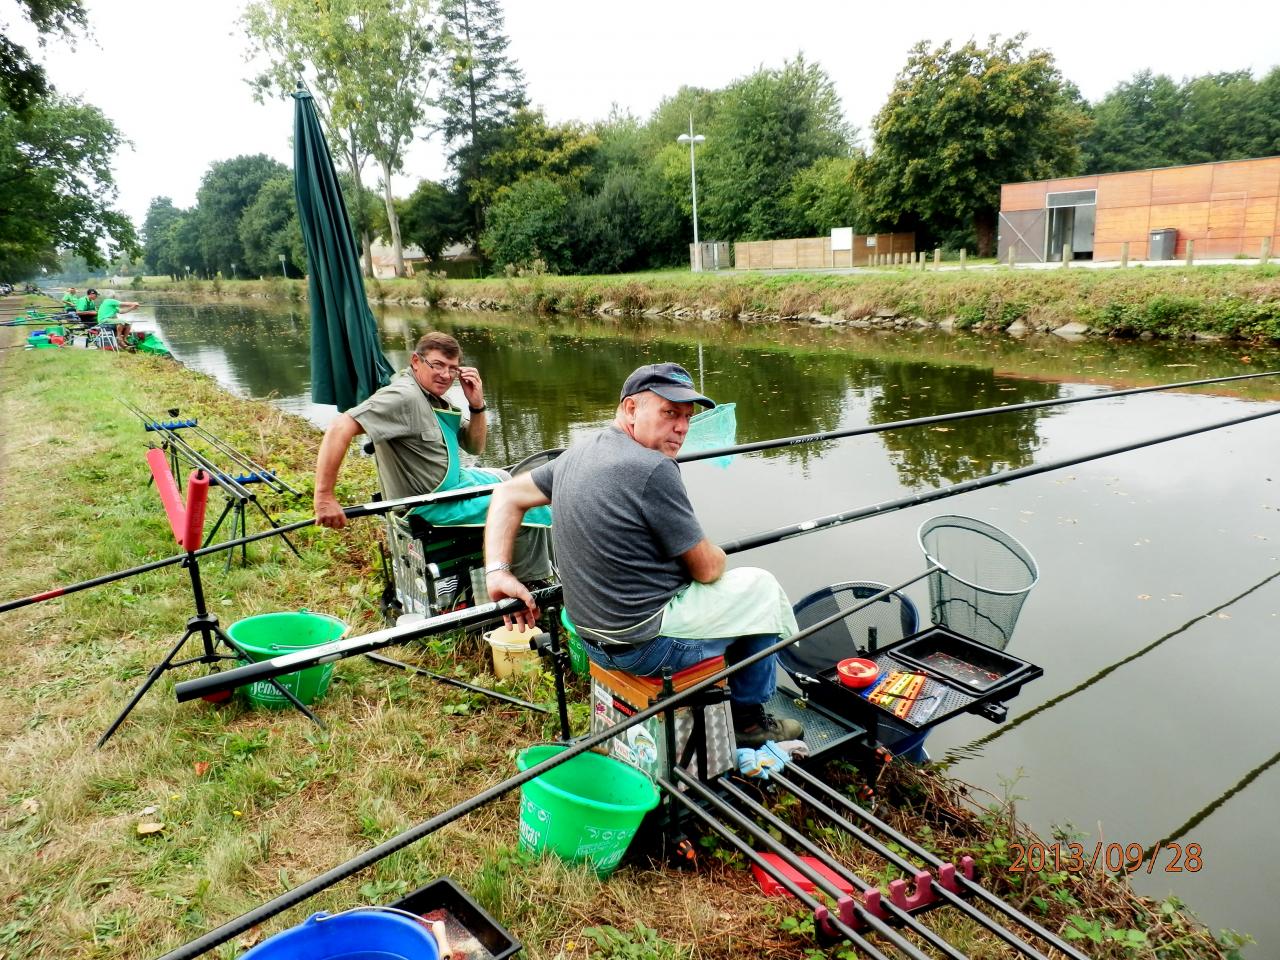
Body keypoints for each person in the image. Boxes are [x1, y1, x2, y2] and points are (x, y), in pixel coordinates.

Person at [483, 362, 803, 748]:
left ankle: (730, 697)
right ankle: (749, 721)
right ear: (631, 409)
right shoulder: (653, 468)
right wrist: (716, 553)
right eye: (670, 412)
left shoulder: (578, 453)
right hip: (647, 648)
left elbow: (506, 494)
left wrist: (497, 571)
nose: (682, 427)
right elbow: (706, 568)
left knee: (735, 597)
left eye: (687, 417)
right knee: (761, 588)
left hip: (589, 639)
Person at [314, 331, 552, 582]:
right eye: (437, 365)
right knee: (526, 505)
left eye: (453, 368)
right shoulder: (403, 396)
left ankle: (505, 563)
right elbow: (340, 426)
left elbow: (475, 447)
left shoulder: (434, 396)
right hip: (431, 505)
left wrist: (477, 405)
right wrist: (324, 497)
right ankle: (531, 586)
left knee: (506, 478)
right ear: (416, 361)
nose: (446, 375)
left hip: (453, 486)